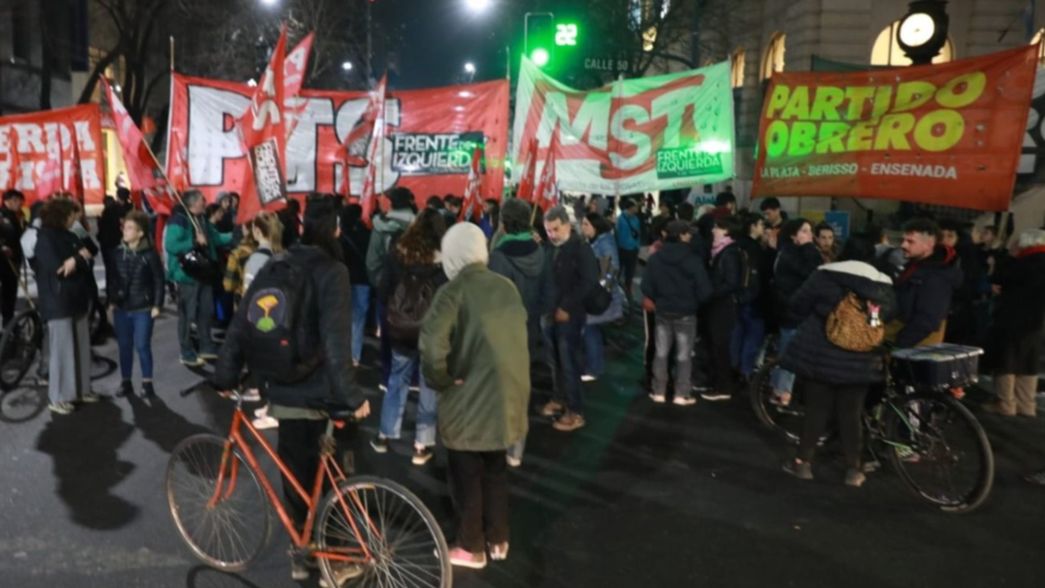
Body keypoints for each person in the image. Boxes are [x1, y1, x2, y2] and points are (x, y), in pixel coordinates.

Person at [213, 194, 370, 584]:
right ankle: (338, 554)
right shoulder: (333, 270)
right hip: (322, 394)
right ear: (335, 230)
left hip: (283, 390)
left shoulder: (276, 264)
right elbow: (337, 346)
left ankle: (302, 554)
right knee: (336, 479)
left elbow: (242, 325)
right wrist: (353, 398)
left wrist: (226, 375)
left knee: (295, 477)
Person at [420, 222, 530, 569]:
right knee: (495, 468)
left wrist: (440, 379)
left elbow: (431, 345)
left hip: (468, 399)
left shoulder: (453, 292)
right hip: (506, 395)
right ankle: (498, 538)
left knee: (466, 475)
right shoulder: (506, 286)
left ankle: (471, 546)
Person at [781, 235, 896, 487]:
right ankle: (854, 470)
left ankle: (803, 464)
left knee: (816, 410)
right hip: (861, 358)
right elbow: (886, 315)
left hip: (820, 353)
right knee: (851, 413)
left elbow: (798, 304)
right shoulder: (882, 285)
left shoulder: (824, 275)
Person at [372, 209, 447, 465]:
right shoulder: (444, 258)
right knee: (429, 386)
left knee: (397, 379)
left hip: (401, 328)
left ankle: (384, 435)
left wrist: (384, 320)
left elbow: (385, 290)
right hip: (432, 331)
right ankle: (421, 444)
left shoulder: (399, 251)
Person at [488, 199, 549, 467]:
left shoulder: (499, 256)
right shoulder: (540, 251)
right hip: (531, 327)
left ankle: (500, 441)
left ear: (504, 222)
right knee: (521, 388)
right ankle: (516, 449)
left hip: (504, 332)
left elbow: (493, 299)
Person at [35, 198, 98, 414]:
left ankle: (82, 390)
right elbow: (60, 269)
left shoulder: (72, 234)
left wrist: (77, 259)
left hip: (77, 298)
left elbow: (90, 252)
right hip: (58, 301)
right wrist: (77, 259)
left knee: (81, 345)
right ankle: (59, 397)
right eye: (73, 215)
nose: (76, 218)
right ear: (63, 215)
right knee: (62, 350)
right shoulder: (44, 239)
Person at [540, 206, 598, 432]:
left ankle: (576, 411)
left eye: (555, 229)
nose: (552, 234)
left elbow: (588, 281)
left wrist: (566, 306)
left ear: (566, 224)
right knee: (554, 361)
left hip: (570, 316)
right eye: (548, 230)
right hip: (549, 313)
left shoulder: (580, 249)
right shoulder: (548, 247)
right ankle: (559, 398)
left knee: (569, 362)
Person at [641, 220, 712, 405]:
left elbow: (646, 286)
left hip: (663, 311)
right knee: (684, 355)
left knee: (661, 353)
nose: (690, 236)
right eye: (688, 233)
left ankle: (659, 391)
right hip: (686, 312)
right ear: (681, 236)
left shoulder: (656, 258)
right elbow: (705, 290)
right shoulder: (693, 259)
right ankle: (681, 393)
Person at [164, 190, 233, 367]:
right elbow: (171, 245)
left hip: (204, 272)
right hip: (187, 274)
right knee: (187, 315)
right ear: (193, 203)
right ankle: (186, 352)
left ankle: (206, 346)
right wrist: (194, 242)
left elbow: (215, 238)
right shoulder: (179, 220)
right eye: (203, 200)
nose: (205, 202)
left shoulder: (201, 219)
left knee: (206, 311)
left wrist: (237, 236)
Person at [981, 228, 1045, 417]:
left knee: (1006, 359)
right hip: (1037, 320)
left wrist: (1007, 257)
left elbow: (1000, 278)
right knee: (1029, 360)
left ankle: (1006, 403)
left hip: (1012, 317)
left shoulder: (1022, 263)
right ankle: (1027, 404)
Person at [109, 211, 165, 399]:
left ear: (140, 233)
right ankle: (126, 381)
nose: (125, 231)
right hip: (122, 308)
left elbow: (159, 280)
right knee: (124, 346)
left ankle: (147, 383)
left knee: (142, 345)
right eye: (125, 227)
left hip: (143, 307)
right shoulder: (117, 253)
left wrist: (157, 304)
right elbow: (113, 280)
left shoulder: (149, 254)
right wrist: (111, 301)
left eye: (130, 228)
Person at [366, 187, 417, 389]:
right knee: (414, 330)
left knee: (387, 334)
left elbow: (372, 261)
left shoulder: (381, 226)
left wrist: (379, 282)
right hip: (414, 288)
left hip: (387, 289)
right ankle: (413, 377)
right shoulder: (419, 225)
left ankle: (387, 377)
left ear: (392, 203)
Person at [769, 218, 822, 405]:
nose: (810, 235)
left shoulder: (790, 252)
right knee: (790, 351)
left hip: (792, 309)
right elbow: (812, 272)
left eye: (810, 230)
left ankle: (778, 387)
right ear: (793, 235)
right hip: (792, 310)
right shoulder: (792, 254)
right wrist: (809, 248)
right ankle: (782, 391)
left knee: (787, 349)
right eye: (804, 231)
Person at [888, 218, 962, 348]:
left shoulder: (937, 276)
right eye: (903, 240)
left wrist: (899, 344)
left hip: (915, 347)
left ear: (929, 244)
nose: (903, 245)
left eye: (910, 241)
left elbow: (928, 319)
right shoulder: (914, 267)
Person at [241, 210, 284, 430]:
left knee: (265, 369)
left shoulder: (255, 260)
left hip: (261, 321)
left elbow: (248, 295)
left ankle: (273, 410)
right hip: (279, 319)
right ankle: (271, 407)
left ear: (257, 231)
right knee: (274, 368)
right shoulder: (281, 254)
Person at [702, 215, 745, 402]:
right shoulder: (722, 251)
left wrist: (710, 292)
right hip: (718, 305)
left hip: (723, 306)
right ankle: (717, 383)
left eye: (717, 227)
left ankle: (723, 387)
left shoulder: (729, 253)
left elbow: (732, 282)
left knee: (720, 346)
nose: (713, 231)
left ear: (726, 230)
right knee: (716, 345)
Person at [580, 212, 620, 382]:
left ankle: (594, 368)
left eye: (586, 224)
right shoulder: (597, 241)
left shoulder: (604, 243)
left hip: (599, 297)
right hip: (597, 296)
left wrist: (597, 287)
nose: (582, 227)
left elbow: (611, 269)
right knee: (593, 330)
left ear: (595, 226)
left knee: (590, 330)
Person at [731, 211, 767, 379]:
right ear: (752, 227)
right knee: (753, 336)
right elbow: (759, 276)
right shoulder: (755, 248)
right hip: (753, 300)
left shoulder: (736, 245)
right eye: (761, 225)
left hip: (737, 297)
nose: (764, 228)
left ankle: (734, 367)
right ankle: (745, 371)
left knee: (738, 334)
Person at [339, 204, 372, 368]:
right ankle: (354, 355)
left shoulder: (340, 236)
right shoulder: (367, 234)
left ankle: (341, 353)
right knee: (358, 320)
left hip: (343, 280)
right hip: (362, 280)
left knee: (343, 318)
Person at [98, 188, 133, 303]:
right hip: (120, 242)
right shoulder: (131, 209)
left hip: (108, 244)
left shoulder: (109, 211)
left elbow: (101, 230)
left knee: (111, 271)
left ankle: (111, 296)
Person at [0, 189, 27, 325]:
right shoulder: (2, 216)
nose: (20, 204)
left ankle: (8, 322)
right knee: (5, 292)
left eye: (20, 201)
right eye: (16, 201)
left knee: (10, 292)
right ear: (7, 201)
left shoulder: (19, 216)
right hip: (4, 260)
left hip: (14, 260)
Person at [615, 198, 641, 306]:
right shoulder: (620, 219)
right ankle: (616, 292)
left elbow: (638, 234)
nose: (638, 208)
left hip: (633, 249)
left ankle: (627, 294)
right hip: (622, 249)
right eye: (636, 206)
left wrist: (637, 246)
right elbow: (616, 234)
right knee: (618, 271)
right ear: (631, 207)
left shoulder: (636, 219)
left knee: (629, 273)